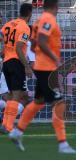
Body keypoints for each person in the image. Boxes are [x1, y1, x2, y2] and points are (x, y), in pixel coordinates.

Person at [9, 0, 76, 154]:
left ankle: (17, 131)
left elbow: (33, 43)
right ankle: (63, 144)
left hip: (41, 66)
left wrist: (40, 53)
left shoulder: (39, 20)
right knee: (59, 104)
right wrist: (54, 57)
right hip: (47, 68)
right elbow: (41, 41)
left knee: (39, 101)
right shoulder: (48, 19)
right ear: (56, 6)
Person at [0, 3, 33, 134]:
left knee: (12, 94)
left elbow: (1, 38)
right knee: (16, 95)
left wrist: (4, 50)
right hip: (16, 62)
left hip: (6, 62)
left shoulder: (8, 24)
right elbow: (19, 47)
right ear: (29, 13)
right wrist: (27, 66)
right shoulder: (24, 27)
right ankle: (7, 126)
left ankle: (5, 124)